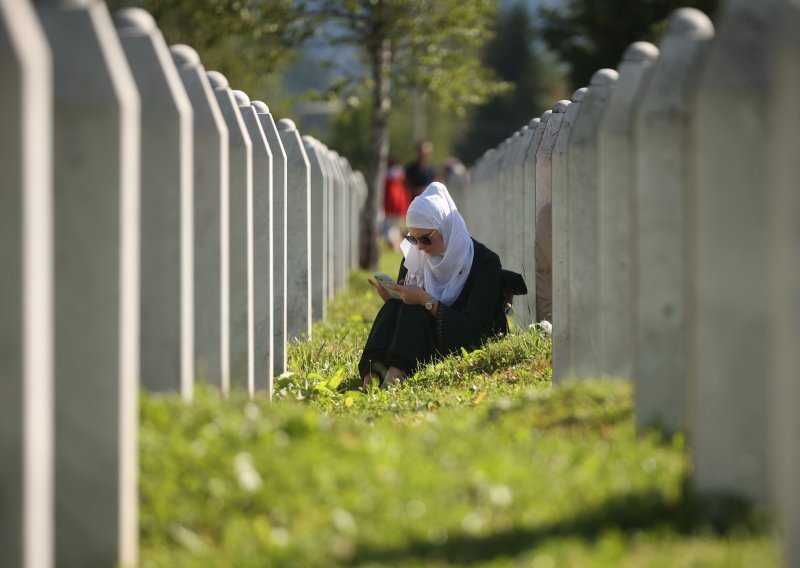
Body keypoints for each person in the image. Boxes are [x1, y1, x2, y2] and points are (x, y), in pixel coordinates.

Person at [359, 182, 508, 389]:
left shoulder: (483, 262)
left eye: (426, 239)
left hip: (463, 340)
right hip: (420, 340)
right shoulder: (415, 259)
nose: (420, 247)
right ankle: (370, 377)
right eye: (412, 238)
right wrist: (393, 297)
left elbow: (475, 330)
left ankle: (393, 377)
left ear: (445, 229)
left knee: (415, 311)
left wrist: (425, 301)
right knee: (396, 307)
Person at [382, 157, 411, 251]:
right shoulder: (401, 175)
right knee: (394, 227)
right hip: (400, 203)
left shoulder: (386, 176)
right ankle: (397, 246)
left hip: (390, 204)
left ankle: (396, 246)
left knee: (390, 228)